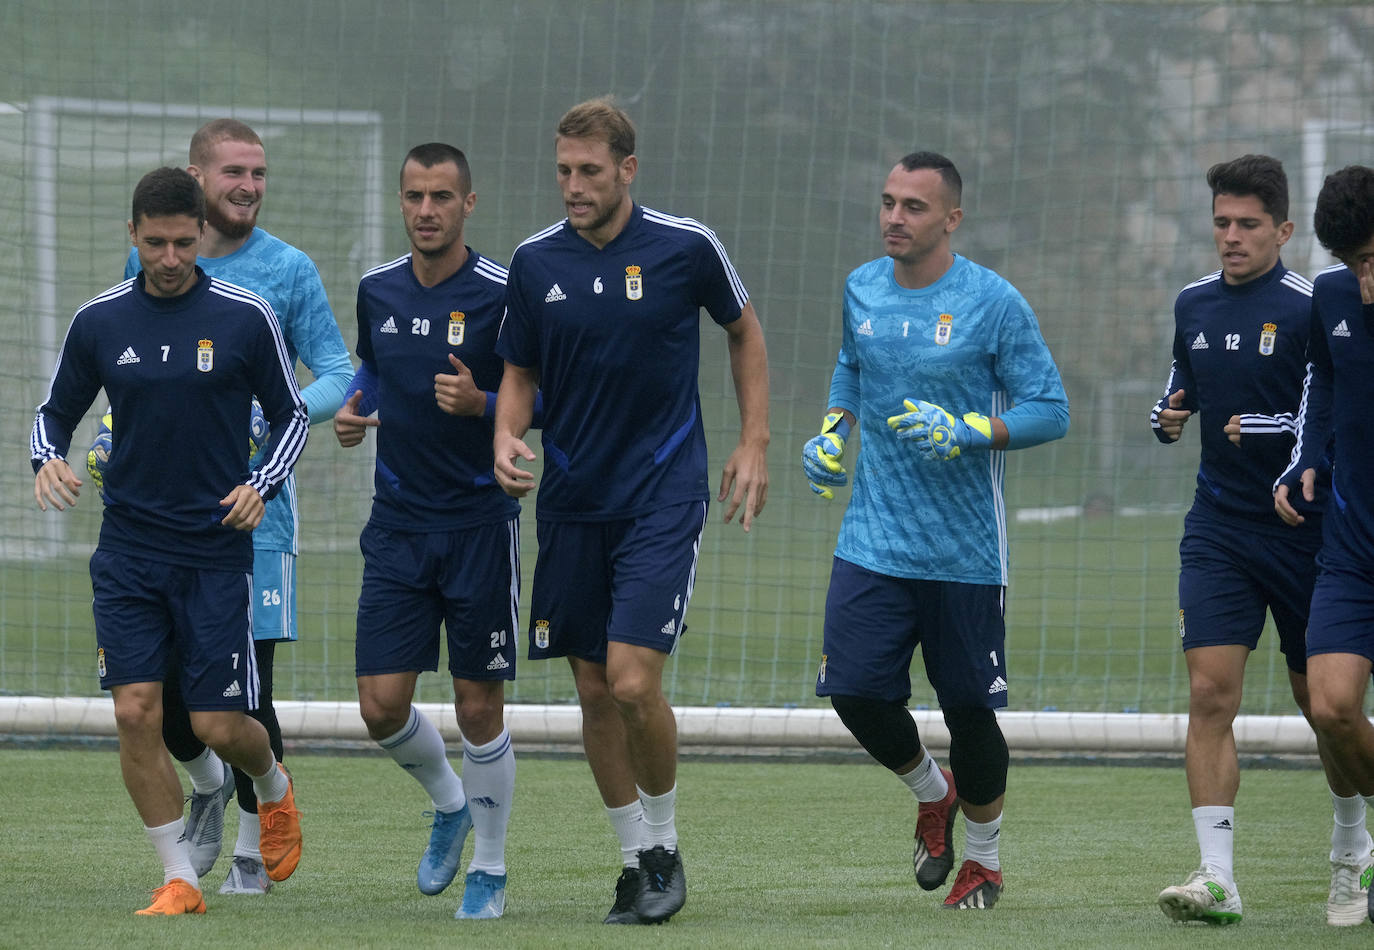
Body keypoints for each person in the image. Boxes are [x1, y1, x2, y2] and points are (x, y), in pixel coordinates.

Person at [493, 97, 770, 925]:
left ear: (628, 169)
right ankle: (631, 861)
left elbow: (744, 330)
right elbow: (519, 371)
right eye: (563, 173)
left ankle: (665, 848)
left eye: (589, 172)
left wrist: (752, 439)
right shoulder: (536, 263)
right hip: (574, 499)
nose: (573, 187)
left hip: (663, 492)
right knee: (590, 691)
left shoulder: (688, 247)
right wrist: (506, 435)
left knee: (631, 680)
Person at [30, 166, 306, 915]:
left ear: (201, 237)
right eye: (156, 243)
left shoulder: (246, 316)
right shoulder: (100, 321)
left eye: (185, 243)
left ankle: (275, 787)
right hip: (126, 552)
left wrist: (263, 484)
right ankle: (180, 877)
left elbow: (291, 417)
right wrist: (45, 457)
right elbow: (52, 414)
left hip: (214, 553)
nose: (171, 258)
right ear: (133, 235)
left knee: (218, 722)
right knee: (135, 713)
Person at [802, 151, 1068, 911]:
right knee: (851, 690)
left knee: (968, 711)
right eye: (887, 202)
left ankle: (982, 864)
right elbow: (851, 368)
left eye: (913, 207)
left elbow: (1051, 409)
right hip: (872, 541)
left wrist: (971, 429)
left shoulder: (994, 302)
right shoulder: (861, 286)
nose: (894, 217)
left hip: (964, 553)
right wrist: (831, 433)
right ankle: (932, 791)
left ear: (951, 218)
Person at [107, 119, 352, 895]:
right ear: (197, 178)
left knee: (247, 694)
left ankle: (254, 846)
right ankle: (210, 785)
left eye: (259, 173)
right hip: (156, 522)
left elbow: (340, 372)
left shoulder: (286, 270)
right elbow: (129, 364)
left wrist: (276, 419)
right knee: (171, 710)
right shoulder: (153, 258)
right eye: (234, 172)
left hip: (255, 517)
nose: (248, 185)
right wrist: (111, 434)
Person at [1150, 155, 1371, 927]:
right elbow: (1179, 385)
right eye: (1221, 223)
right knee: (1211, 693)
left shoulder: (1319, 305)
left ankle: (1351, 852)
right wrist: (1167, 416)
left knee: (1324, 707)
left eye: (1248, 224)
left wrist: (1284, 440)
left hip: (1307, 534)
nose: (1231, 237)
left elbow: (1330, 411)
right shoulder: (1192, 304)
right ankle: (1217, 879)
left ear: (1282, 230)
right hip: (1217, 528)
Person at [333, 143, 523, 920]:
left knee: (479, 706)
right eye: (414, 196)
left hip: (480, 525)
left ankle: (491, 865)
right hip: (399, 526)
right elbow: (373, 370)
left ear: (468, 204)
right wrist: (352, 405)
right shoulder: (377, 290)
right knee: (380, 706)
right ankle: (449, 803)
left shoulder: (508, 294)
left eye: (442, 196)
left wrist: (483, 406)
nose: (425, 210)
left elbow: (541, 395)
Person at [1275, 163, 1374, 925]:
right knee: (1332, 707)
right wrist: (1307, 455)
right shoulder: (1335, 298)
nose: (1362, 281)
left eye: (1373, 259)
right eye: (1352, 264)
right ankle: (1355, 846)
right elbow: (1326, 389)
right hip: (1351, 547)